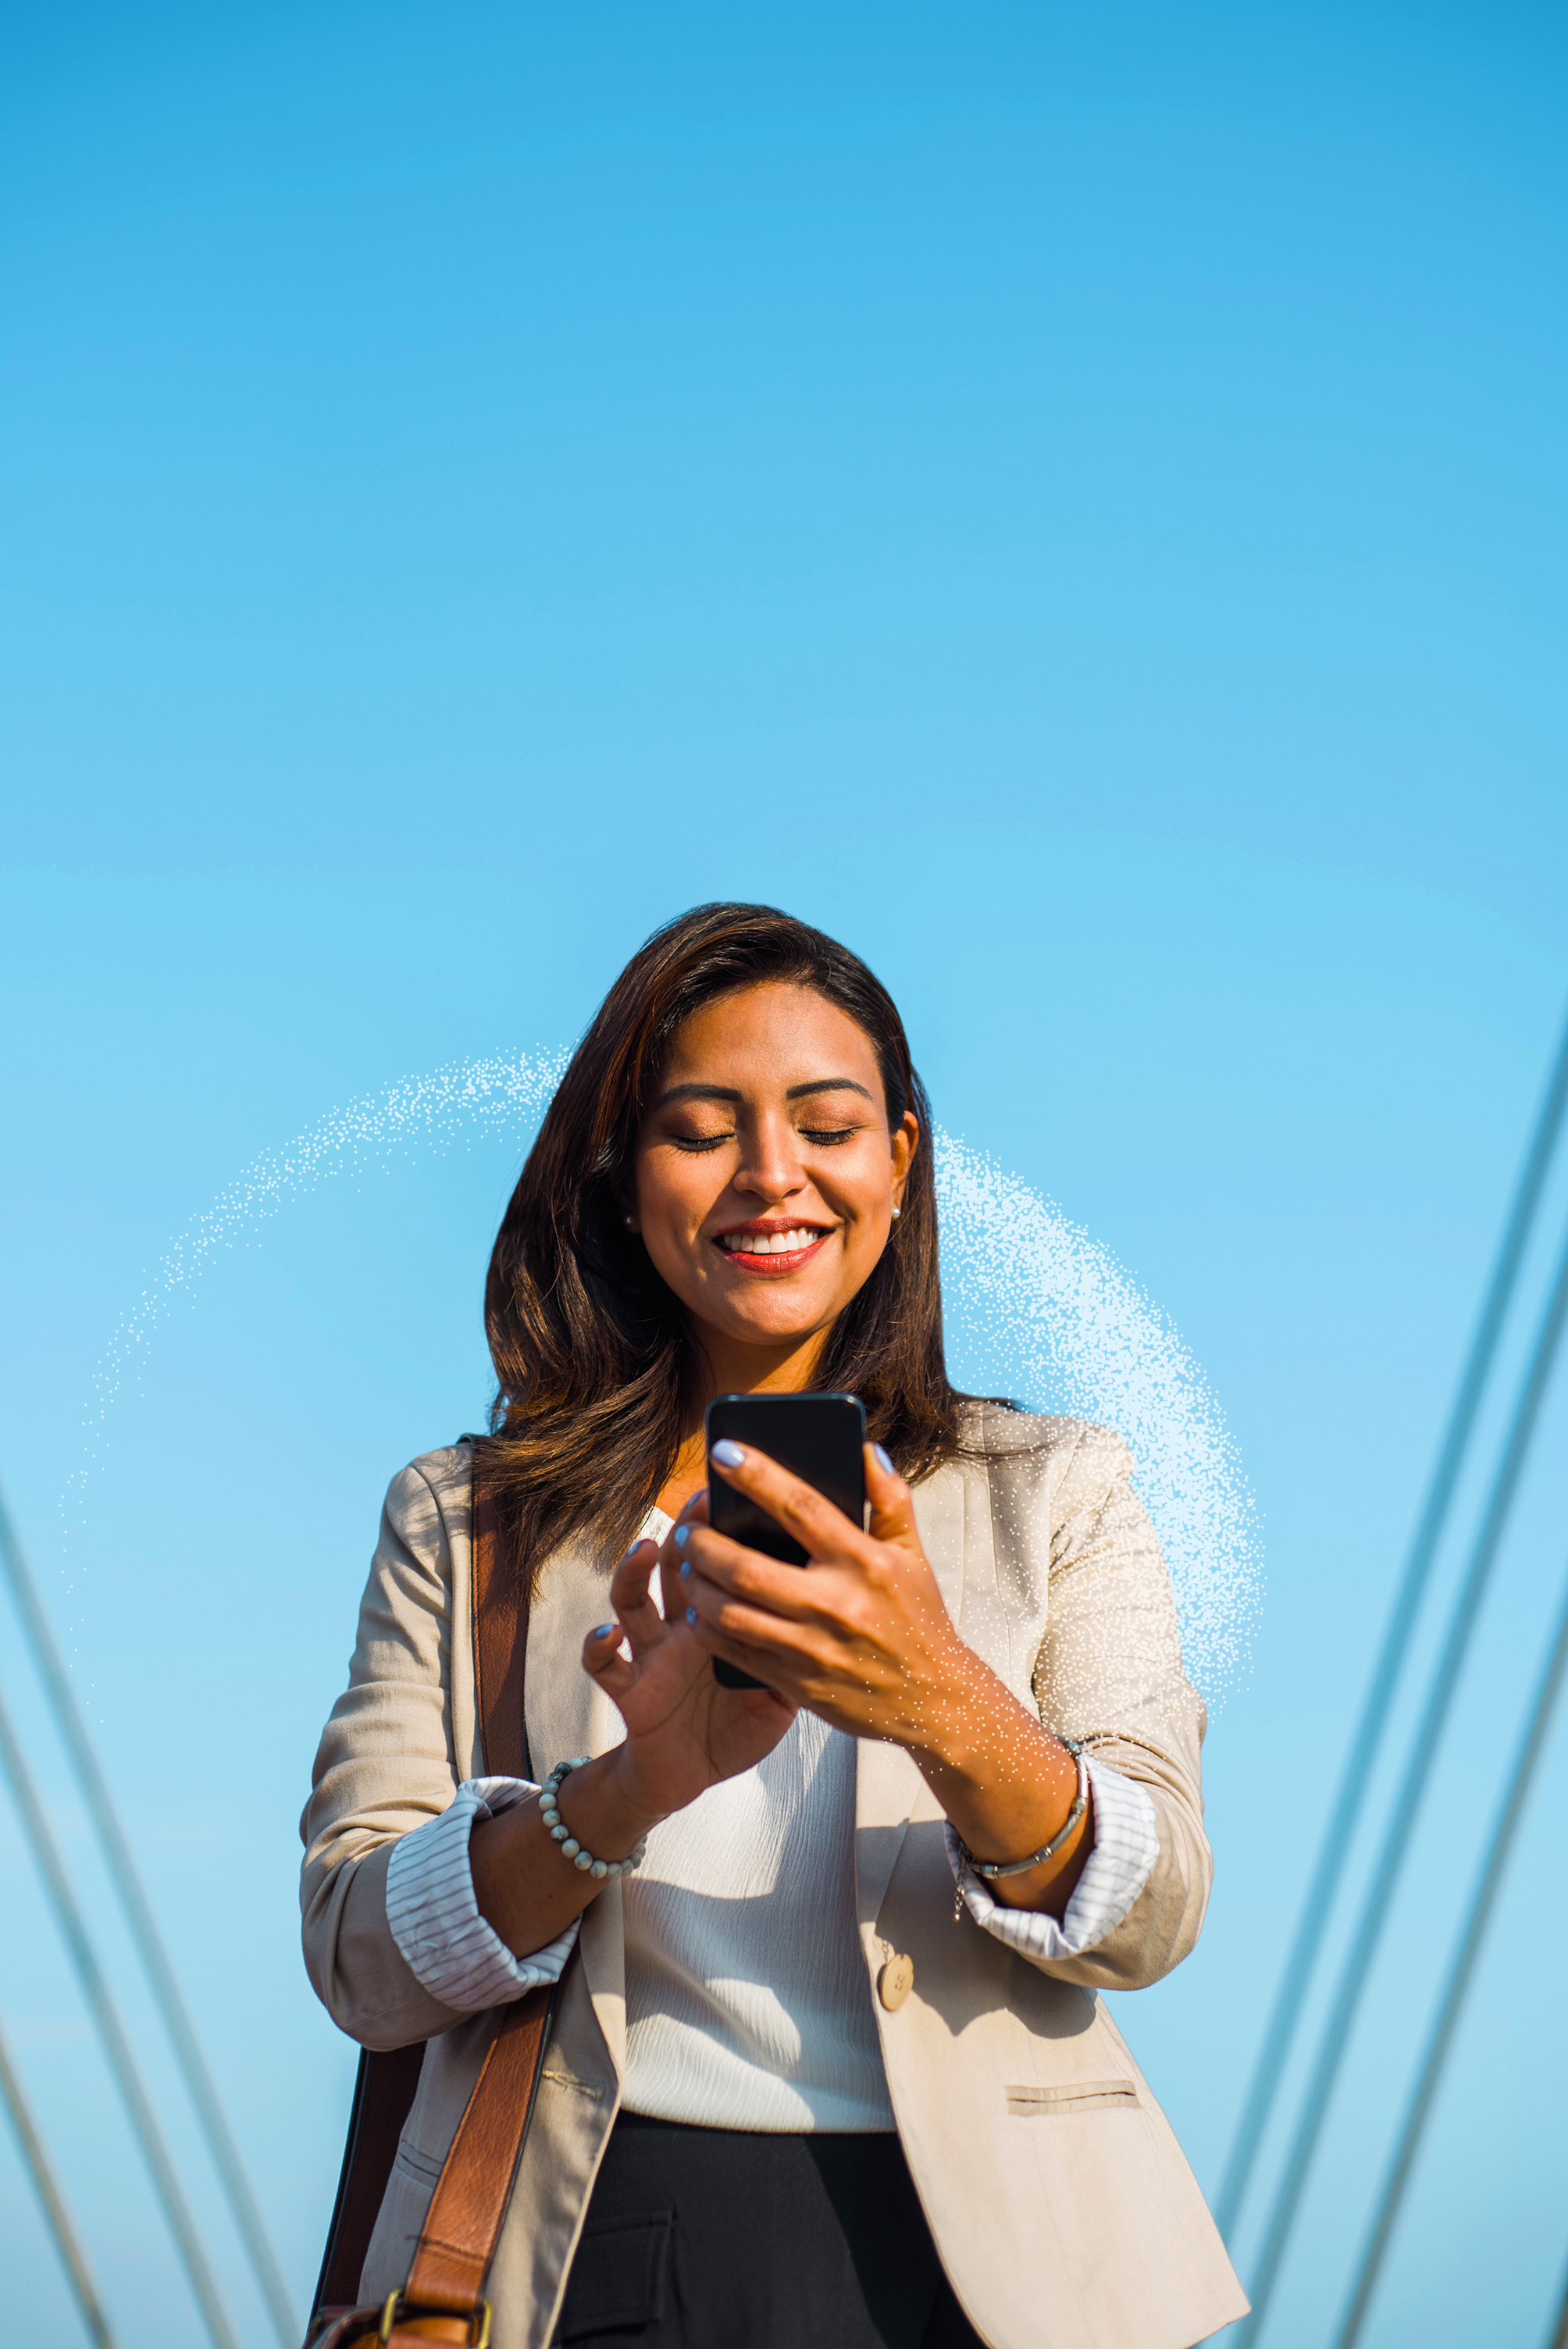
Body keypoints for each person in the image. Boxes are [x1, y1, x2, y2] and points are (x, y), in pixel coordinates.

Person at [301, 902, 1247, 2349]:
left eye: (827, 1122)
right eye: (702, 1128)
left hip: (1006, 2263)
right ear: (622, 1180)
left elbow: (1156, 1908)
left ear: (899, 1163)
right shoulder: (469, 1519)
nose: (771, 1175)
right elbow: (358, 1958)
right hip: (595, 2249)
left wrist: (939, 1696)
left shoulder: (1053, 1490)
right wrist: (630, 1791)